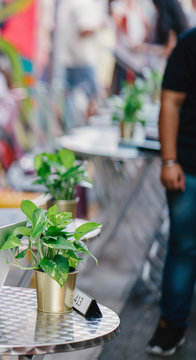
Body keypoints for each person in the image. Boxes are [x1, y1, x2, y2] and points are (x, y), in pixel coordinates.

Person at [147, 28, 196, 357]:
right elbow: (170, 101)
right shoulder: (191, 43)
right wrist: (168, 161)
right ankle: (171, 327)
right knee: (183, 250)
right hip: (189, 166)